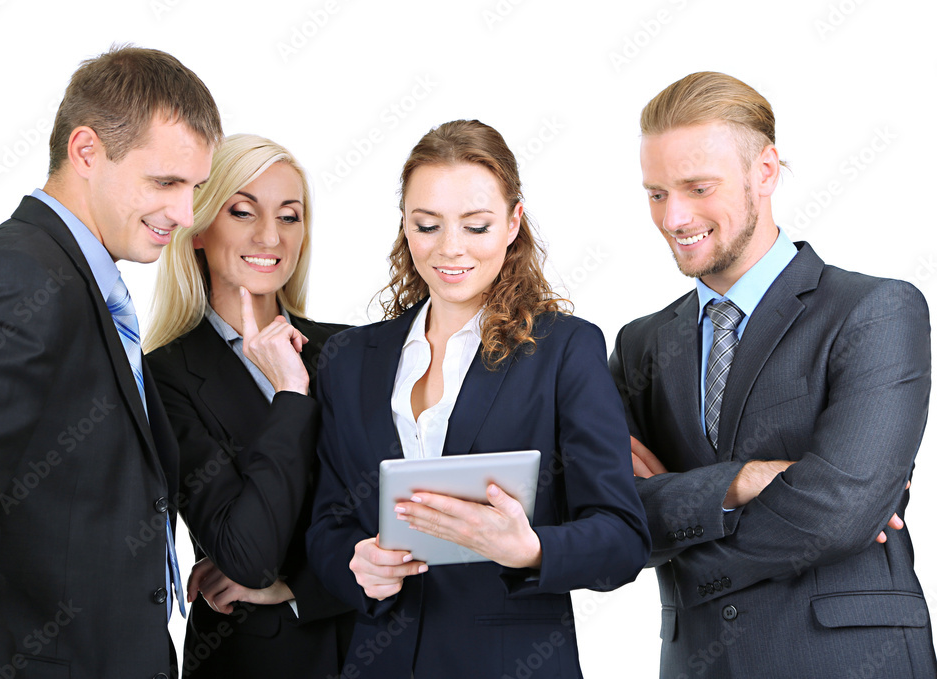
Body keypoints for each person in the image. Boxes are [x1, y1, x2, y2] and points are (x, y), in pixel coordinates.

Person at [608, 71, 937, 677]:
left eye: (697, 187)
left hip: (847, 660)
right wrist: (748, 481)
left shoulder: (875, 312)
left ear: (765, 171)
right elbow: (608, 520)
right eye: (656, 193)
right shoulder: (640, 346)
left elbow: (839, 513)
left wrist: (680, 518)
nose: (674, 217)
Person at [306, 119, 650, 678]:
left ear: (514, 223)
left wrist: (531, 548)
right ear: (405, 225)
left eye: (476, 226)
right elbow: (327, 525)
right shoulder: (349, 359)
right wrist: (358, 566)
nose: (450, 249)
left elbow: (623, 538)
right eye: (427, 225)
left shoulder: (565, 350)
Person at [0, 46, 221, 679]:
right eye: (165, 182)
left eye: (194, 188)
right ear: (87, 151)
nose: (184, 214)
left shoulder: (78, 280)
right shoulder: (14, 274)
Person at [144, 133, 353, 678]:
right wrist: (290, 393)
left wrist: (296, 586)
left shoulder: (353, 352)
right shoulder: (162, 377)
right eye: (242, 212)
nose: (270, 235)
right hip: (253, 661)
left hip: (372, 645)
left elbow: (403, 519)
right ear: (197, 229)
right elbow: (248, 555)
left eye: (290, 216)